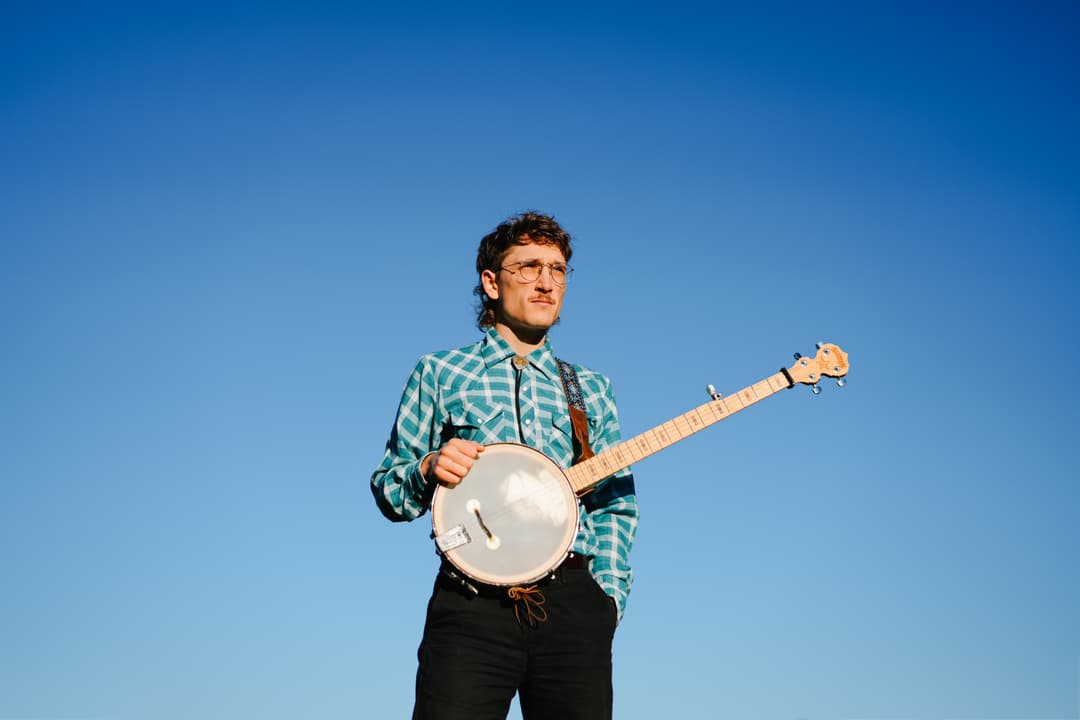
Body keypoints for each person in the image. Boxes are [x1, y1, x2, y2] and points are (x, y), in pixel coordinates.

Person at [371, 211, 638, 720]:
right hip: (471, 607)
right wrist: (428, 467)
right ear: (491, 283)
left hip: (574, 605)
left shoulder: (589, 388)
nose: (546, 282)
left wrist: (607, 598)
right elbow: (388, 488)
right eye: (528, 267)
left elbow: (614, 505)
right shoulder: (440, 371)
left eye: (558, 270)